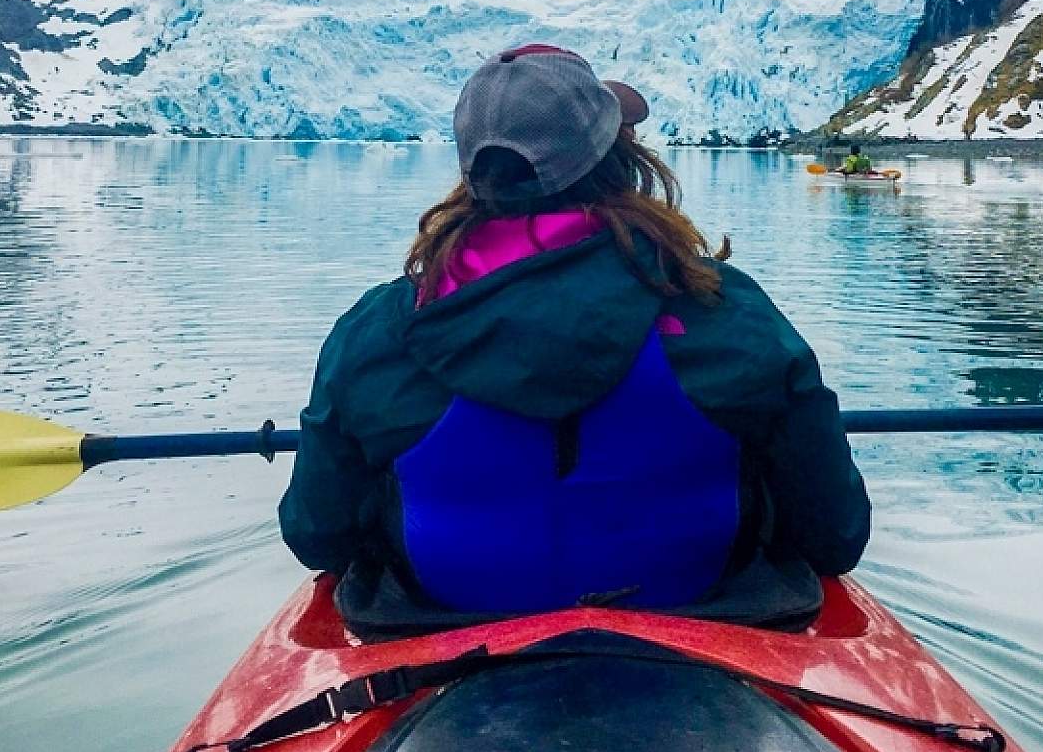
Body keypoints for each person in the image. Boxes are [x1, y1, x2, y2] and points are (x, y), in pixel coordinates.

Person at [279, 45, 870, 634]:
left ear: (472, 173)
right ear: (622, 160)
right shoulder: (726, 310)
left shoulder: (379, 331)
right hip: (704, 632)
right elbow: (834, 537)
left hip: (439, 639)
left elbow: (318, 537)